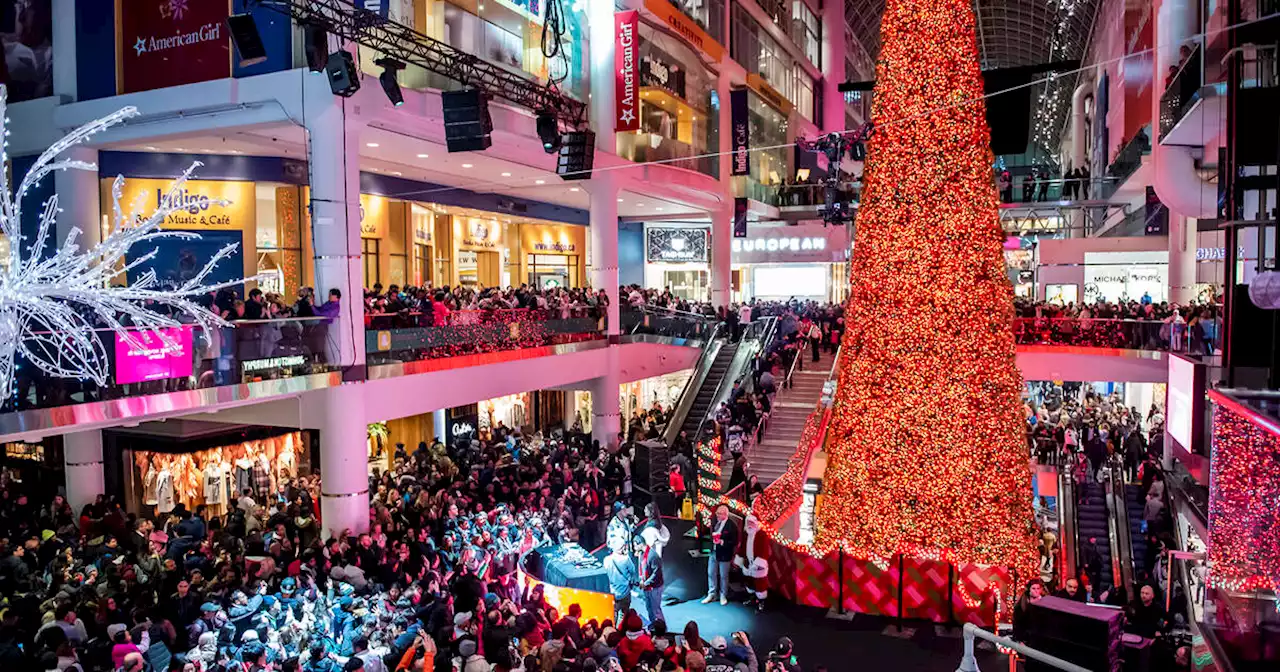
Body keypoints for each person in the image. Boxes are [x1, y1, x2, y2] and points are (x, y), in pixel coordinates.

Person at [703, 505, 738, 605]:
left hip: (724, 554)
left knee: (723, 576)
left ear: (726, 514)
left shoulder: (731, 526)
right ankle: (711, 594)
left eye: (719, 513)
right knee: (710, 573)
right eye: (717, 513)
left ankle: (723, 595)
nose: (717, 515)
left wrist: (722, 542)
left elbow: (734, 541)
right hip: (713, 552)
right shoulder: (714, 521)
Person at [734, 514, 770, 611]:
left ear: (756, 523)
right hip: (747, 563)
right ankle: (752, 598)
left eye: (752, 522)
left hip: (758, 565)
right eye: (748, 522)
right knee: (749, 583)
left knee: (760, 585)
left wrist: (758, 563)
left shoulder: (762, 534)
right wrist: (739, 559)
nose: (750, 525)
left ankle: (761, 602)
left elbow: (764, 550)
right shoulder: (746, 534)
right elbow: (742, 547)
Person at [604, 543, 638, 624]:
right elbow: (633, 571)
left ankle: (614, 630)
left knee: (613, 613)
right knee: (624, 614)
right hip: (624, 592)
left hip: (612, 592)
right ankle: (621, 629)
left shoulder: (607, 559)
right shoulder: (626, 559)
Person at [638, 527, 665, 624]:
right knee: (649, 608)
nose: (633, 548)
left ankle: (662, 629)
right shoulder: (641, 554)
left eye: (634, 545)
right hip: (647, 586)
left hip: (655, 587)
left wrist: (646, 583)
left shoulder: (653, 555)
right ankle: (653, 625)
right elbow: (640, 568)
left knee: (656, 610)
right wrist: (641, 579)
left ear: (640, 544)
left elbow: (656, 573)